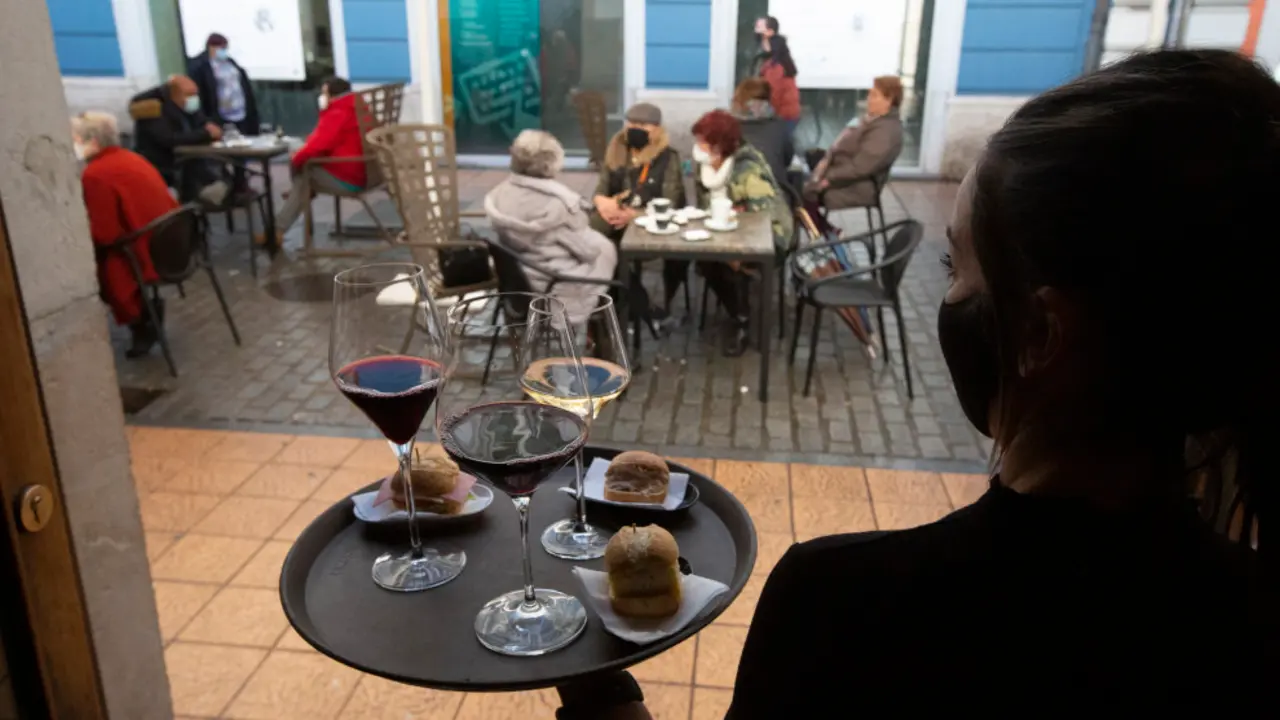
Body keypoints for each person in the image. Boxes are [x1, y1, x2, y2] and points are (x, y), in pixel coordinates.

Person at [554, 49, 1280, 719]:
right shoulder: (1249, 620)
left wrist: (596, 684)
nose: (950, 297)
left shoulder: (847, 604)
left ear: (1040, 336)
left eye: (956, 265)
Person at [684, 109, 793, 357]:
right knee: (705, 259)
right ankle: (739, 312)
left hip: (769, 237)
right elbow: (704, 206)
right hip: (723, 231)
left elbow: (762, 220)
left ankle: (743, 322)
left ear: (720, 144)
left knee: (727, 261)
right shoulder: (706, 168)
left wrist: (733, 229)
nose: (698, 147)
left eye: (703, 141)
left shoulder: (747, 169)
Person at [73, 111, 178, 358]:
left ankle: (142, 320)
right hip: (173, 242)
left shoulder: (95, 174)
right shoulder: (132, 158)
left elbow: (104, 234)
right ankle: (146, 316)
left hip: (147, 251)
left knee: (102, 264)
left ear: (93, 142)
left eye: (76, 139)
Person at [485, 130, 616, 323]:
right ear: (551, 163)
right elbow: (587, 252)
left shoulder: (499, 194)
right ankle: (605, 335)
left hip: (519, 278)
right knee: (610, 259)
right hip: (554, 284)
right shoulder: (558, 206)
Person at [589, 102, 686, 313]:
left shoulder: (668, 157)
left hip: (650, 222)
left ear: (657, 128)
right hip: (614, 216)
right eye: (632, 122)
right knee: (591, 241)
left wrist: (634, 216)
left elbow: (671, 201)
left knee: (609, 252)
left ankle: (636, 304)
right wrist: (604, 204)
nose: (636, 128)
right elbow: (600, 190)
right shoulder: (616, 149)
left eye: (643, 124)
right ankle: (618, 302)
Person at [262, 77, 366, 245]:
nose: (322, 97)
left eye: (324, 93)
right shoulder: (356, 108)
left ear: (333, 96)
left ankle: (277, 231)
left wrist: (296, 159)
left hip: (347, 176)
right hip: (356, 170)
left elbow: (318, 145)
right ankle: (297, 198)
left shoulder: (338, 113)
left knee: (303, 173)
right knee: (303, 176)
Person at [802, 75, 904, 238]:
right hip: (843, 173)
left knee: (795, 195)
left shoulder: (885, 132)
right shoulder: (873, 120)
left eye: (874, 95)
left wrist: (827, 176)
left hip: (857, 186)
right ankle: (826, 229)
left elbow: (860, 167)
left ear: (889, 100)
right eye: (870, 94)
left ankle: (826, 233)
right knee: (796, 178)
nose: (868, 99)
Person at [129, 75, 227, 206]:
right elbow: (168, 139)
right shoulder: (152, 108)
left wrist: (210, 127)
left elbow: (201, 121)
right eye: (189, 95)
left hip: (187, 163)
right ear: (174, 95)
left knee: (223, 176)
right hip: (163, 166)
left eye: (195, 94)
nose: (193, 99)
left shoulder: (185, 105)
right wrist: (206, 134)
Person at [188, 33, 260, 138]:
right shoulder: (199, 66)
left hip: (240, 114)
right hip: (219, 117)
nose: (223, 51)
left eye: (225, 48)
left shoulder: (230, 63)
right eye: (220, 48)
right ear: (211, 47)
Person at [731, 77, 795, 195]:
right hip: (776, 195)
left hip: (737, 193)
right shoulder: (779, 127)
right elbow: (788, 159)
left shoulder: (729, 127)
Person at [754, 17, 800, 134]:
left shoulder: (776, 66)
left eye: (760, 30)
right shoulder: (771, 62)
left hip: (782, 117)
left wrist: (761, 114)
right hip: (786, 115)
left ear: (770, 33)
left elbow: (773, 94)